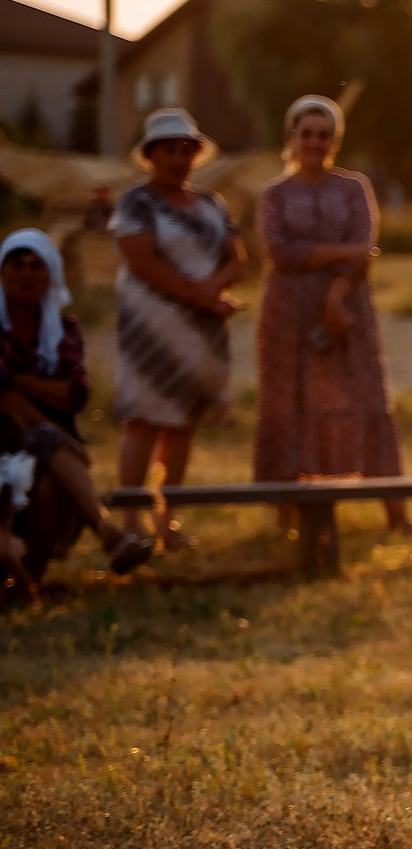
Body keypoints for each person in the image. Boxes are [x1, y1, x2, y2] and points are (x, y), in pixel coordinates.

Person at [253, 95, 412, 534]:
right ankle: (286, 516)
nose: (315, 142)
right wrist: (341, 252)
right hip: (287, 315)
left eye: (324, 135)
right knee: (288, 401)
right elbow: (279, 251)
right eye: (307, 134)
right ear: (292, 138)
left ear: (335, 140)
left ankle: (397, 514)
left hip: (348, 309)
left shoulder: (353, 188)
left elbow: (363, 248)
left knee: (366, 396)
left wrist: (335, 296)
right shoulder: (274, 194)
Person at [111, 108, 244, 548]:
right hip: (151, 329)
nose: (178, 158)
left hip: (201, 333)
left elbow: (237, 259)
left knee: (184, 424)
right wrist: (202, 297)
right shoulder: (136, 202)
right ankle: (131, 521)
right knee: (144, 421)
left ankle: (167, 520)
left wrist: (212, 290)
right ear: (151, 155)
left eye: (186, 149)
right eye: (169, 149)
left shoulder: (211, 204)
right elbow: (141, 261)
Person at [0, 230, 153, 584]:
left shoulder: (64, 329)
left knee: (49, 489)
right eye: (17, 265)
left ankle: (30, 581)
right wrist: (57, 430)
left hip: (52, 448)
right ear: (3, 273)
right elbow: (4, 399)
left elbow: (75, 395)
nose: (26, 274)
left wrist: (18, 380)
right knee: (42, 437)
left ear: (50, 274)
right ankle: (107, 531)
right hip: (8, 438)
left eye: (36, 266)